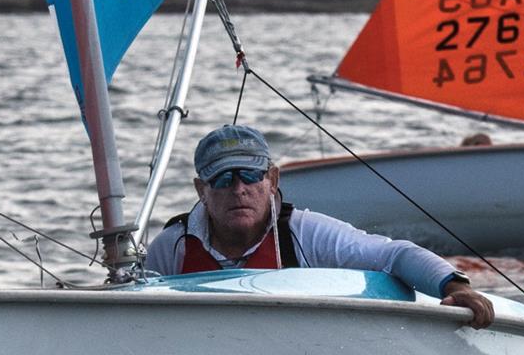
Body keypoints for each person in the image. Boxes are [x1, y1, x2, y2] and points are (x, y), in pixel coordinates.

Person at [146, 125, 494, 329]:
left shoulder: (306, 233)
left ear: (272, 179)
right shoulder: (170, 247)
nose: (239, 189)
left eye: (250, 175)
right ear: (200, 190)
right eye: (223, 179)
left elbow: (394, 255)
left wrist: (457, 287)